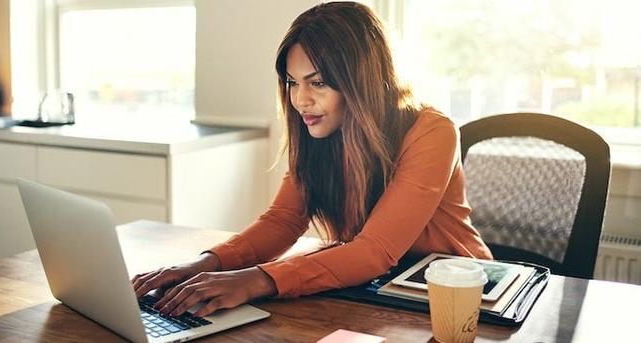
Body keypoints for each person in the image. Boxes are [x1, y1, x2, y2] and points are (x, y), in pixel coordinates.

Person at [131, 1, 492, 318]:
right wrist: (203, 264)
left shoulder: (432, 131)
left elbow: (374, 251)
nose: (300, 100)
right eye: (292, 82)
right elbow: (284, 221)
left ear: (362, 80)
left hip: (460, 295)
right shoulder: (317, 129)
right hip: (373, 292)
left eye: (317, 82)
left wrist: (256, 280)